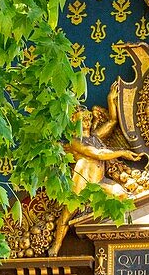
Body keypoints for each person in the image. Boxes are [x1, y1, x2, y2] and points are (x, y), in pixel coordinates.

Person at [49, 100, 143, 255]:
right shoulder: (74, 142)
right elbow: (97, 153)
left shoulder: (95, 137)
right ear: (74, 122)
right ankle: (57, 245)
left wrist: (112, 100)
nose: (86, 121)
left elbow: (112, 121)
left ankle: (112, 230)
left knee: (121, 194)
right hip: (82, 184)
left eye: (88, 118)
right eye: (82, 119)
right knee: (67, 212)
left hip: (99, 183)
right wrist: (122, 152)